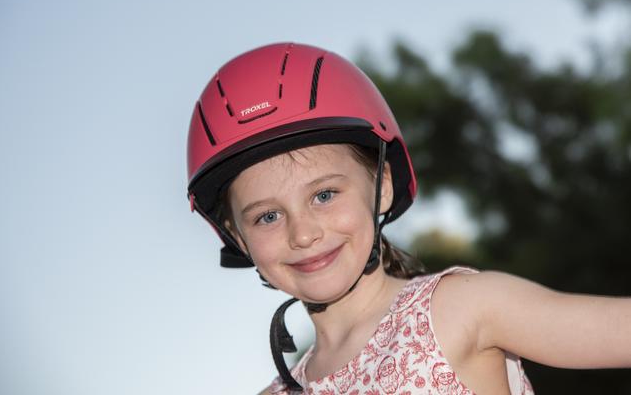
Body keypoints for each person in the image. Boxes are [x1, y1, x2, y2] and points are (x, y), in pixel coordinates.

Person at [185, 42, 631, 394]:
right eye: (267, 217)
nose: (303, 232)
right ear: (237, 238)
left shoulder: (460, 310)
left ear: (382, 186)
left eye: (324, 194)